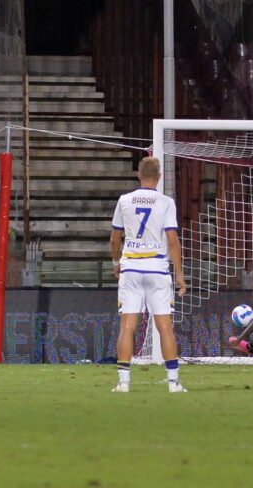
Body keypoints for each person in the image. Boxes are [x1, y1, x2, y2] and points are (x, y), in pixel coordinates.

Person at [110, 156, 187, 393]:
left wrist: (115, 262)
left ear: (138, 175)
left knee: (127, 326)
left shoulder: (125, 200)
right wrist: (180, 276)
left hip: (131, 268)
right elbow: (173, 241)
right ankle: (173, 383)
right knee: (165, 326)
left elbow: (115, 238)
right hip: (157, 269)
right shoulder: (166, 202)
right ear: (159, 177)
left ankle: (124, 383)